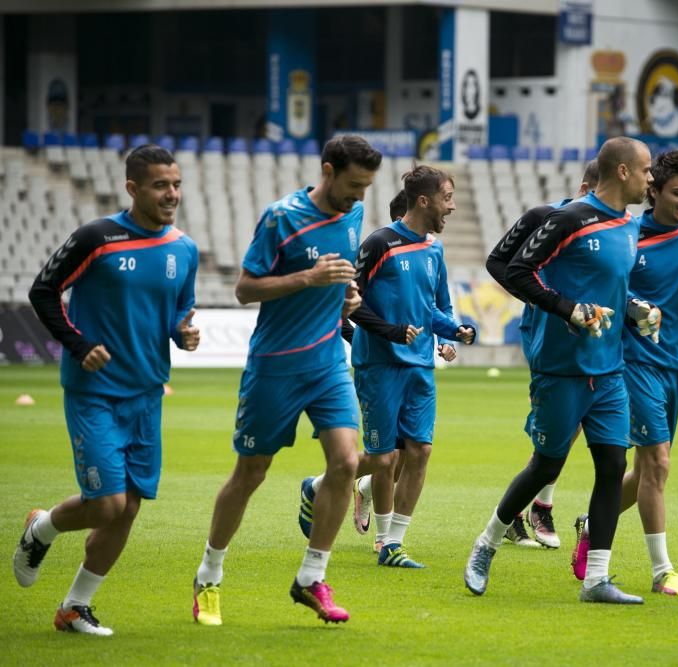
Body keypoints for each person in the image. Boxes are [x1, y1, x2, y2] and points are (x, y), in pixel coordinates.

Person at [191, 135, 381, 626]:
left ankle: (311, 578)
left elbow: (340, 277)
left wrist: (347, 297)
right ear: (327, 170)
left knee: (345, 461)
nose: (358, 197)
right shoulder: (282, 217)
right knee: (250, 473)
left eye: (366, 188)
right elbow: (244, 288)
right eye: (353, 185)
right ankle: (209, 574)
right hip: (275, 366)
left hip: (326, 363)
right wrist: (307, 279)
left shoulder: (353, 215)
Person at [15, 144, 199, 636]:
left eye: (177, 184)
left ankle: (75, 607)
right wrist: (77, 344)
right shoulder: (97, 237)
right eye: (161, 185)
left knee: (129, 507)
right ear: (133, 188)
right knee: (107, 505)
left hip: (147, 392)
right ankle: (43, 527)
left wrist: (184, 332)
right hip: (94, 390)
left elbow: (179, 314)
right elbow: (43, 290)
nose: (172, 194)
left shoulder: (184, 249)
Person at [464, 137, 653, 604]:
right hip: (560, 367)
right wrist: (568, 310)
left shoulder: (630, 226)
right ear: (624, 171)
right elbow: (517, 270)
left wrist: (635, 310)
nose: (652, 179)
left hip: (608, 369)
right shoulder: (570, 219)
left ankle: (597, 580)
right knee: (547, 464)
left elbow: (610, 288)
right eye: (647, 170)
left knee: (613, 465)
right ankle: (485, 544)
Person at [300, 166, 475, 568]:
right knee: (383, 459)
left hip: (419, 367)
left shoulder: (434, 250)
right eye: (447, 198)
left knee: (421, 450)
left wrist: (456, 330)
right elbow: (350, 300)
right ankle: (319, 486)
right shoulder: (380, 243)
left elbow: (432, 308)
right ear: (424, 200)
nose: (452, 207)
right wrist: (391, 331)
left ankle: (391, 543)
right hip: (378, 365)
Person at [570, 149, 678, 597]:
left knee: (648, 471)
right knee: (657, 462)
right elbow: (610, 284)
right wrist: (635, 305)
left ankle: (593, 523)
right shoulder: (631, 233)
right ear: (652, 190)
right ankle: (663, 573)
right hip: (636, 361)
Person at [485, 159, 599, 549]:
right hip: (548, 336)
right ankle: (529, 510)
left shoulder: (614, 225)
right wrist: (539, 302)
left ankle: (536, 505)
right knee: (555, 429)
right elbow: (498, 261)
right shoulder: (546, 216)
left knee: (575, 423)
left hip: (592, 336)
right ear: (586, 187)